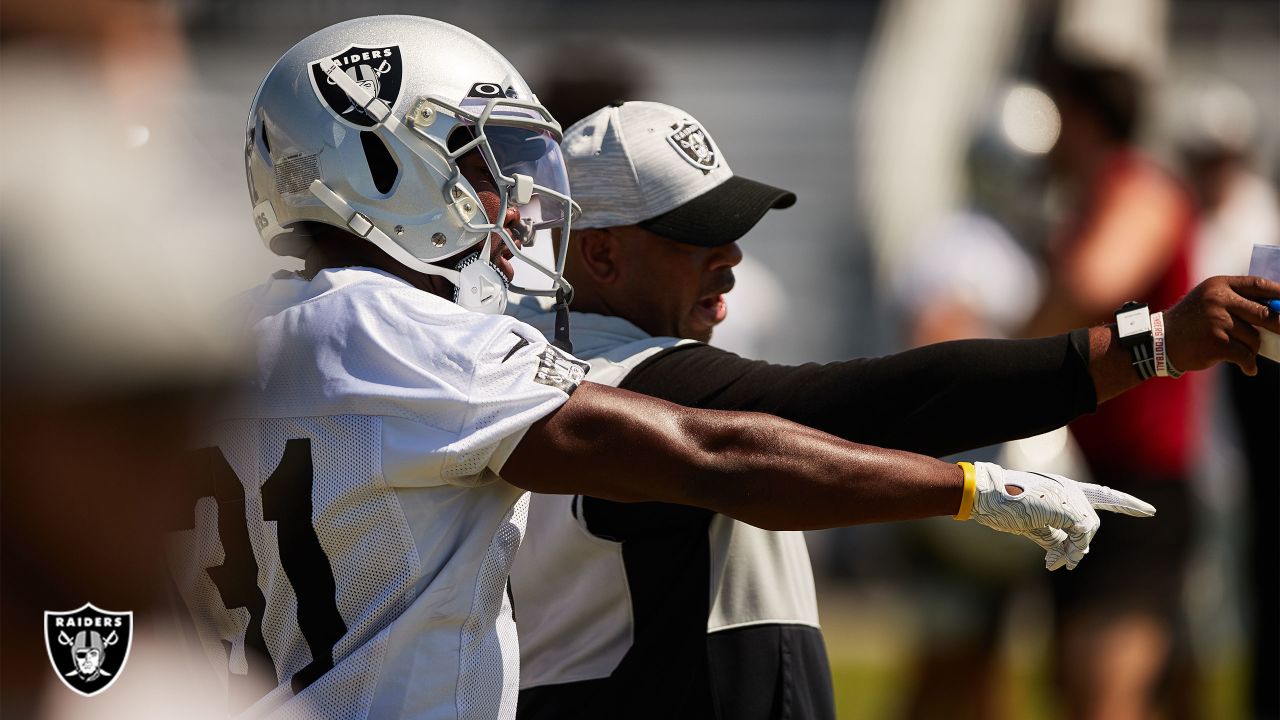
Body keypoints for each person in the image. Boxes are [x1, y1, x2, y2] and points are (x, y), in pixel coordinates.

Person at [167, 17, 1159, 720]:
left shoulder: (204, 345)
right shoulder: (406, 337)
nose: (506, 201)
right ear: (376, 166)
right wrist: (968, 487)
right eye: (475, 164)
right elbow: (706, 451)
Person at [507, 101, 1280, 720]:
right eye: (695, 235)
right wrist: (1153, 345)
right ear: (600, 253)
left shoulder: (522, 361)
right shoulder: (637, 378)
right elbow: (883, 399)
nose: (731, 256)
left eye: (730, 229)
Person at [1022, 55, 1203, 720]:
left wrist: (997, 359)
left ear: (1083, 116)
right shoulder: (1093, 196)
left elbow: (1093, 283)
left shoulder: (1138, 187)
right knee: (1078, 688)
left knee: (1107, 694)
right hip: (1090, 473)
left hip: (1140, 482)